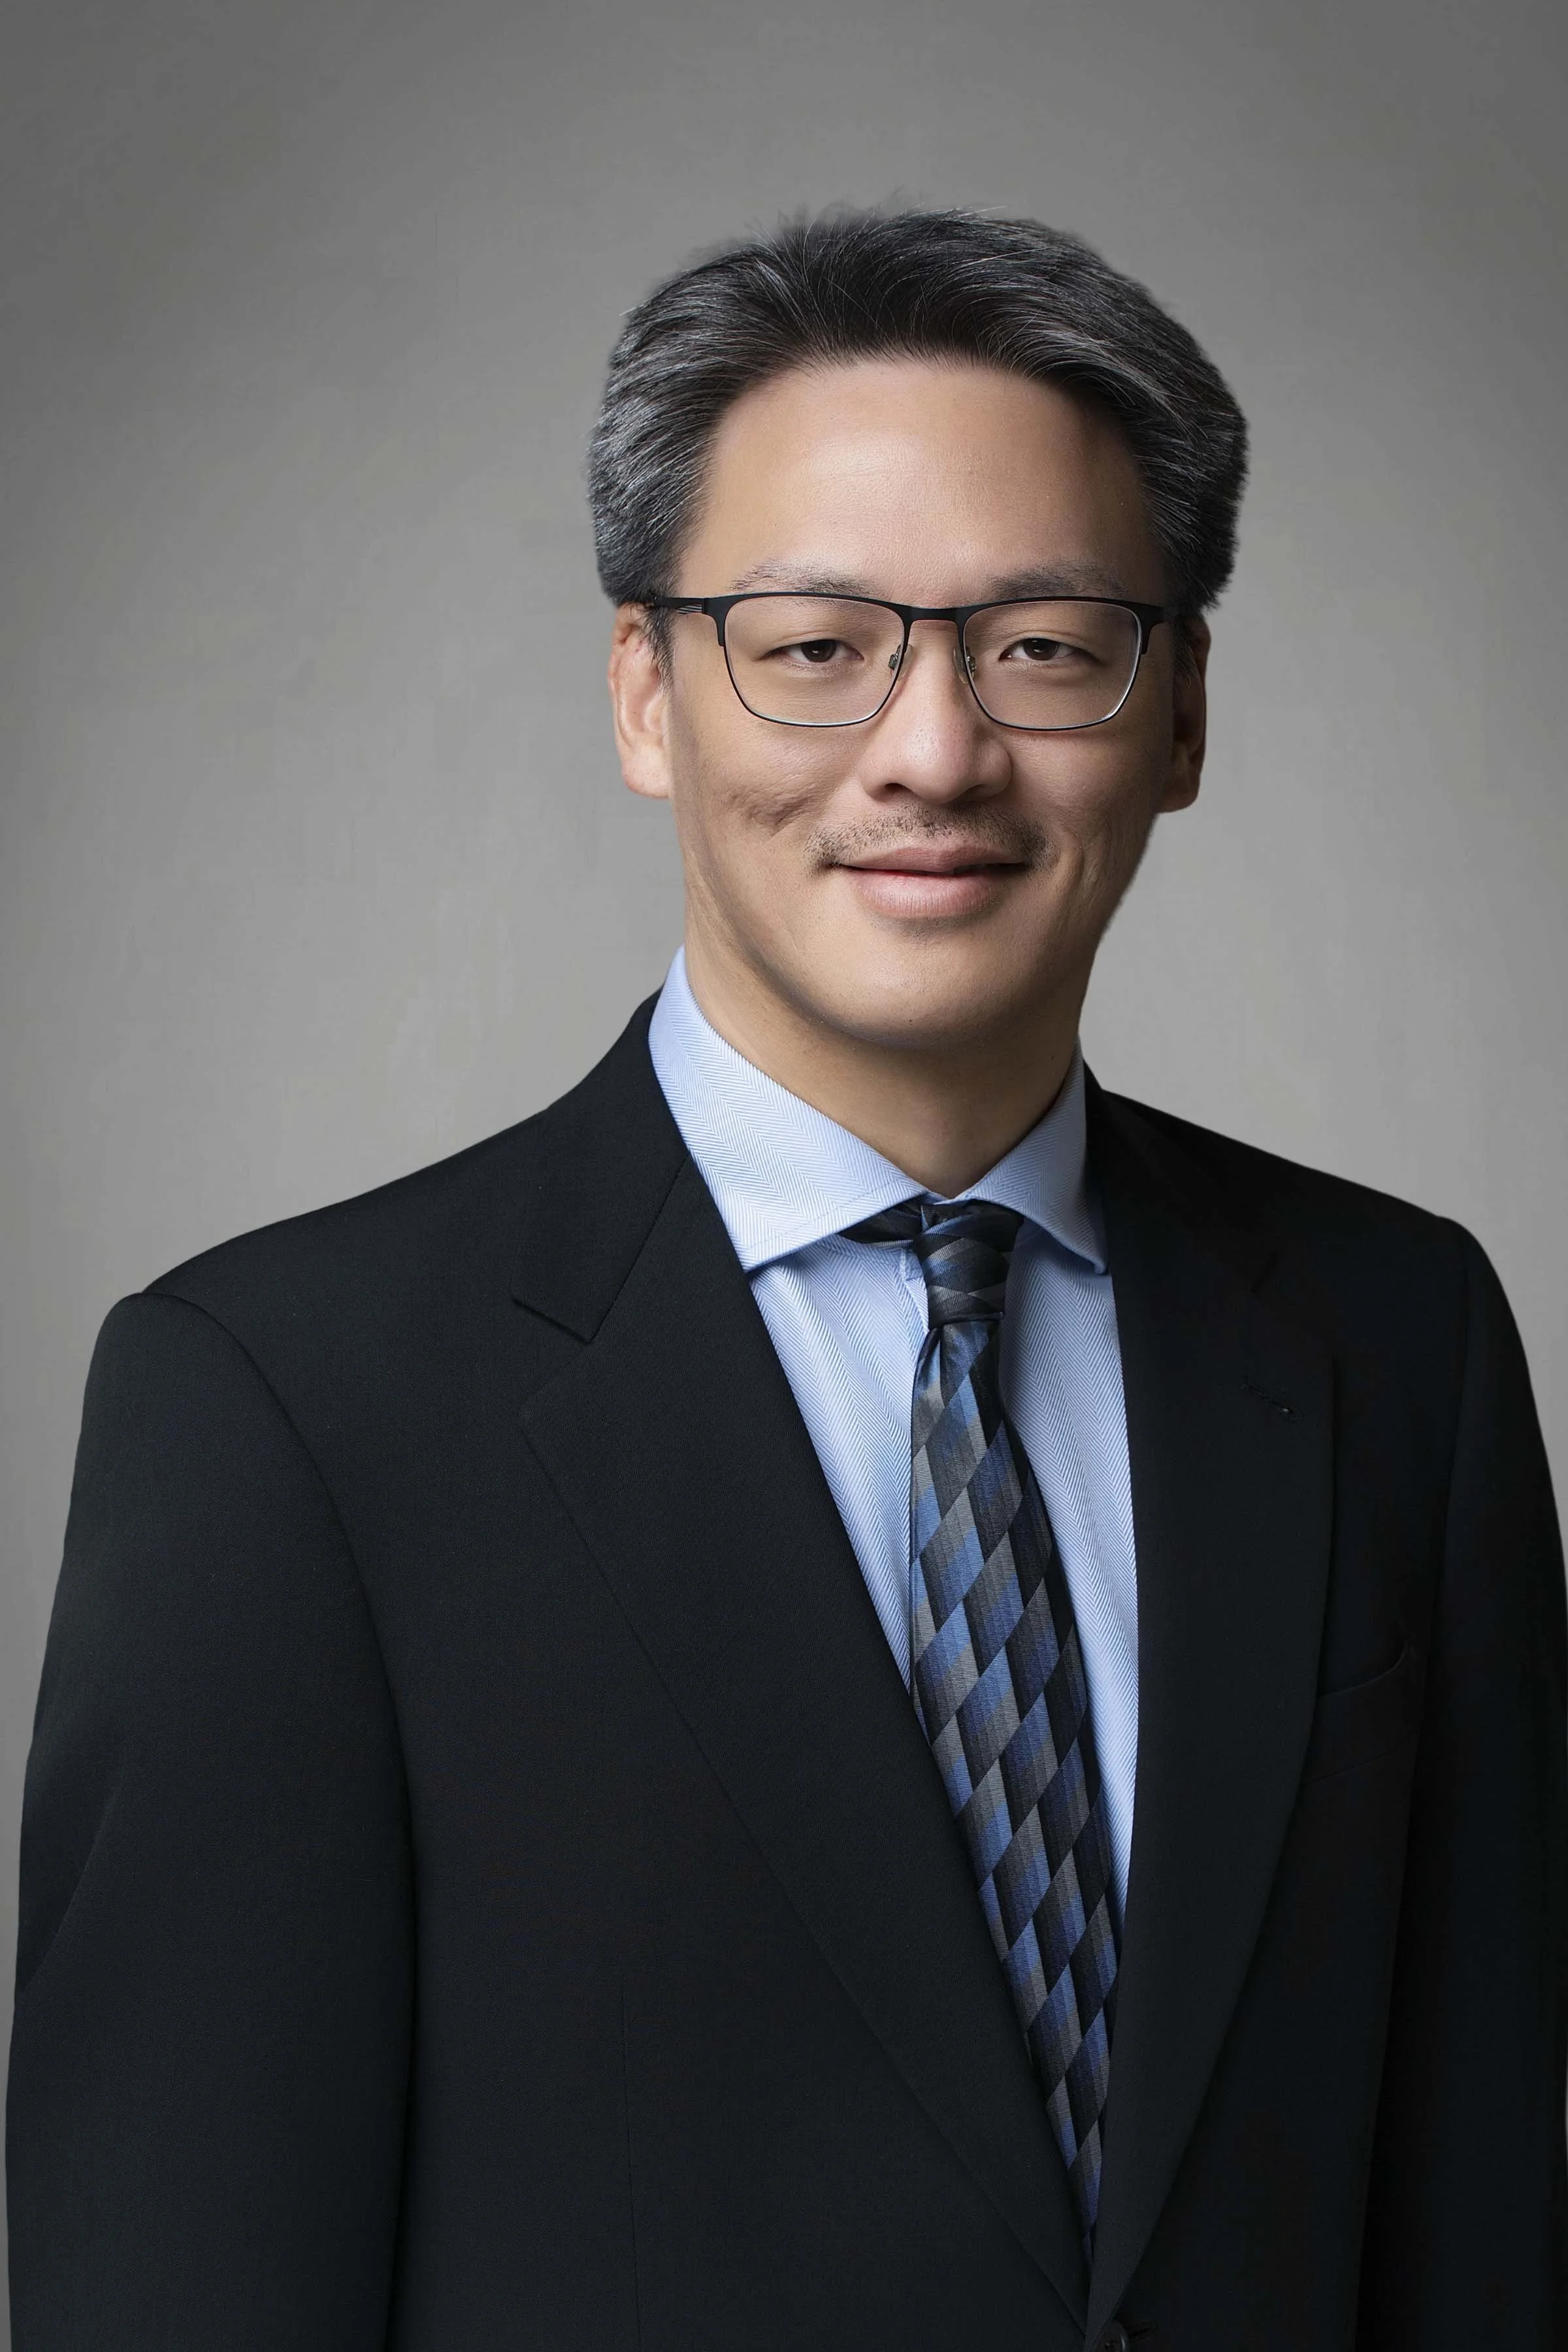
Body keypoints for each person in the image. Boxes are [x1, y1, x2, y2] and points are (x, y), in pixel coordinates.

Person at [7, 208, 1565, 2352]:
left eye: (1047, 645)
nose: (934, 753)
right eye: (816, 645)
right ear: (646, 695)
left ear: (1185, 710)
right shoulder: (285, 1411)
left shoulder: (1402, 1346)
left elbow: (1479, 2231)